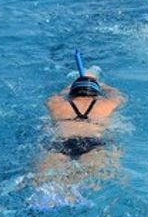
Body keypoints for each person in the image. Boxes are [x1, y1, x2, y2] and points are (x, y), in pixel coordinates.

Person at [33, 53, 125, 202]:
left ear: (71, 92)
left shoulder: (55, 104)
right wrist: (100, 83)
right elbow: (118, 95)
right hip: (93, 143)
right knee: (91, 181)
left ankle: (52, 200)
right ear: (96, 93)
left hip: (60, 143)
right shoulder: (107, 105)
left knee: (45, 182)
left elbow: (58, 94)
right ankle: (75, 197)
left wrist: (73, 83)